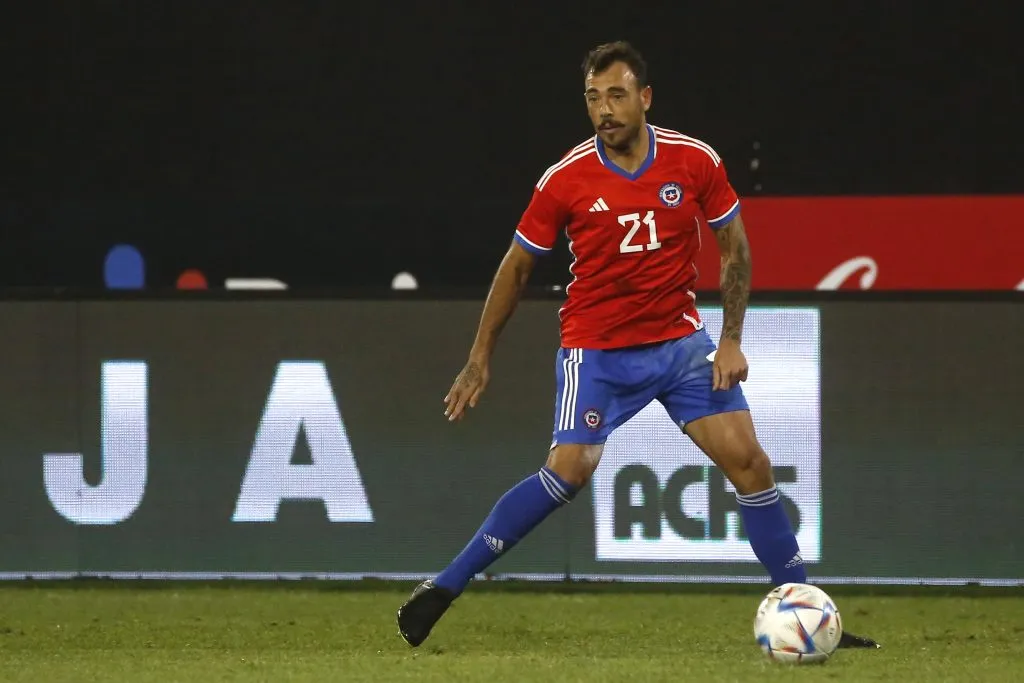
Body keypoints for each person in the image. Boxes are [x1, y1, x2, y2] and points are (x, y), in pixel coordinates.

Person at [397, 40, 878, 650]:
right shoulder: (565, 180)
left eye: (617, 96)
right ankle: (442, 589)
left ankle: (809, 613)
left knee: (752, 465)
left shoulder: (693, 161)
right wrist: (479, 356)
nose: (605, 109)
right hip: (596, 350)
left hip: (679, 346)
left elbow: (735, 247)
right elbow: (516, 267)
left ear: (644, 98)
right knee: (568, 471)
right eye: (594, 98)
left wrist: (730, 339)